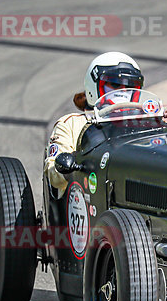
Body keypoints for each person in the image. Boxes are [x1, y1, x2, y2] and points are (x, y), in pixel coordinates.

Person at [44, 52, 144, 195]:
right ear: (94, 85)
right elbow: (53, 174)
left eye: (130, 87)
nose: (123, 92)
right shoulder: (72, 123)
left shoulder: (145, 123)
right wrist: (74, 161)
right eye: (115, 84)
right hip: (86, 194)